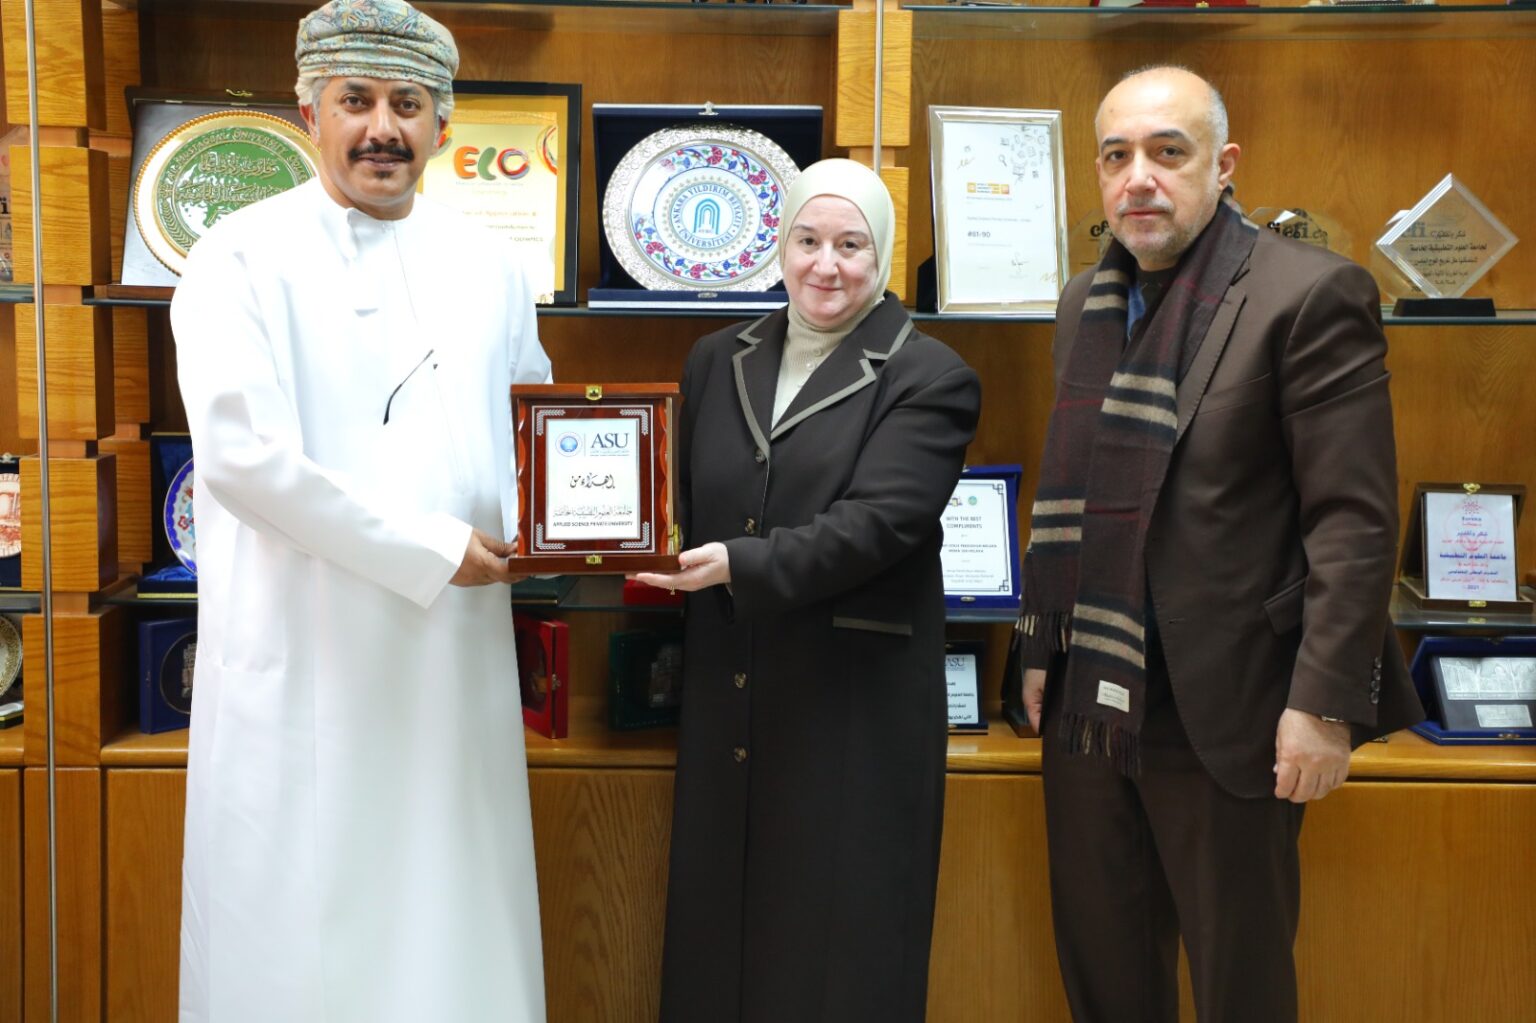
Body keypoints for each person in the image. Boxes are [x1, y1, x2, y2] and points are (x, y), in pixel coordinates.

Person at [1016, 65, 1422, 1022]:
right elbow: (1075, 488)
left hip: (1234, 705)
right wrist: (1040, 645)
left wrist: (1323, 704)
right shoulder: (1083, 301)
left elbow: (1354, 521)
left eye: (1169, 152)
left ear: (1224, 164)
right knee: (1105, 975)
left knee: (1240, 983)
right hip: (1092, 698)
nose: (1139, 178)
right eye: (1116, 156)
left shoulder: (1309, 294)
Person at [171, 3, 550, 1019]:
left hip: (454, 657)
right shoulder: (237, 258)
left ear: (443, 125)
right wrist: (428, 547)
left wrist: (581, 522)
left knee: (450, 915)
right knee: (301, 931)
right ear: (310, 112)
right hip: (307, 654)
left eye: (408, 104)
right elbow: (245, 463)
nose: (383, 128)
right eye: (357, 101)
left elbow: (532, 425)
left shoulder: (491, 264)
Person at [634, 158, 981, 1022]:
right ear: (780, 246)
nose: (826, 265)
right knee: (719, 935)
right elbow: (679, 498)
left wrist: (736, 564)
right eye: (808, 240)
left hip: (851, 703)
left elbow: (879, 524)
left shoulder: (931, 375)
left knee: (840, 944)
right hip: (730, 688)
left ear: (883, 254)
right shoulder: (718, 356)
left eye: (851, 245)